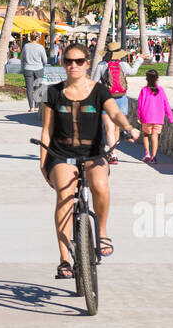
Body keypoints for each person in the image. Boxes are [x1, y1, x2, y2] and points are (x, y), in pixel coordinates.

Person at [40, 43, 140, 279]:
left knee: (100, 186)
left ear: (87, 63)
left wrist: (127, 127)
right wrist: (43, 163)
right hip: (61, 154)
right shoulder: (51, 92)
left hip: (93, 153)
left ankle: (102, 232)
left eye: (78, 61)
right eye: (67, 61)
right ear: (63, 63)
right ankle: (65, 259)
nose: (72, 66)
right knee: (65, 196)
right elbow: (46, 130)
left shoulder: (99, 90)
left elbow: (114, 113)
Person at [93, 42, 141, 158]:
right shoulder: (123, 64)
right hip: (121, 98)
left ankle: (112, 154)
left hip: (107, 99)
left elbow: (94, 82)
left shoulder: (102, 65)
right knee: (116, 128)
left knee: (109, 129)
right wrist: (139, 61)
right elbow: (133, 72)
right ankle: (114, 150)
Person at [136, 69, 173, 164]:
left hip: (146, 116)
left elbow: (140, 104)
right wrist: (170, 117)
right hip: (158, 117)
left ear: (146, 79)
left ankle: (147, 153)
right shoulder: (161, 90)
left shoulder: (144, 90)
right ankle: (153, 157)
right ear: (157, 78)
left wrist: (139, 116)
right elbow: (166, 104)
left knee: (145, 134)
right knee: (155, 136)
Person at [21, 33, 48, 113]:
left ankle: (31, 107)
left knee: (29, 88)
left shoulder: (26, 46)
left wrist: (23, 67)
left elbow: (22, 58)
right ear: (37, 38)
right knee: (38, 88)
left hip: (27, 69)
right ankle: (36, 106)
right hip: (38, 68)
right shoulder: (40, 47)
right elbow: (45, 60)